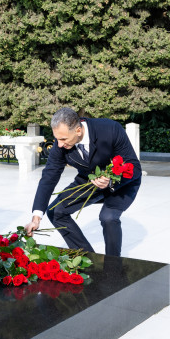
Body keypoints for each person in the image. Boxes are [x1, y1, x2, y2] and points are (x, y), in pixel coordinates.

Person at [24, 107, 141, 256]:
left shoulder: (110, 129)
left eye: (63, 139)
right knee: (55, 211)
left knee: (108, 218)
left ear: (78, 130)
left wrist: (111, 180)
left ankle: (113, 265)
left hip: (122, 182)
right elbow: (49, 176)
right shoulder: (60, 144)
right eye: (57, 139)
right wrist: (36, 218)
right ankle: (88, 259)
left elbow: (135, 167)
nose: (59, 144)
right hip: (88, 180)